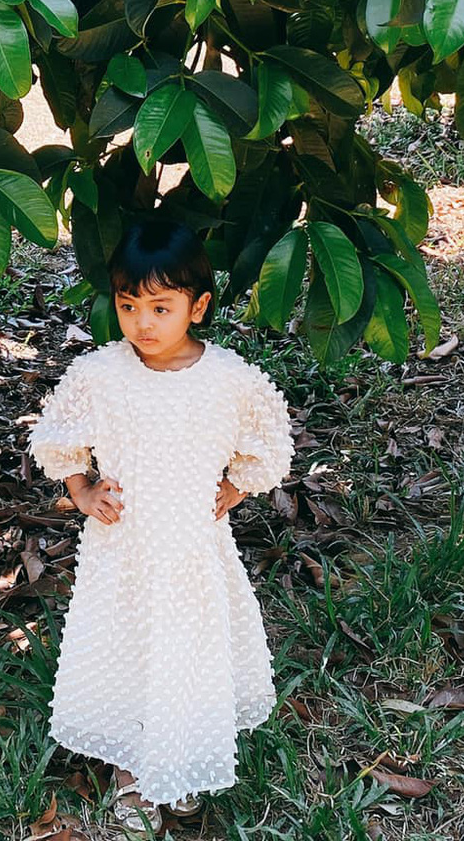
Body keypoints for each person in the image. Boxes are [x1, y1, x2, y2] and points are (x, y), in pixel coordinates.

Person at [26, 217, 296, 835]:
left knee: (188, 654)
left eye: (160, 307)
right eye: (128, 306)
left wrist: (228, 490)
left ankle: (186, 764)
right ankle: (133, 777)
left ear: (197, 307)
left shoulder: (228, 380)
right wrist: (83, 488)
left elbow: (266, 448)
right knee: (129, 653)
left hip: (192, 553)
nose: (142, 324)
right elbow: (59, 437)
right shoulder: (103, 374)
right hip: (123, 552)